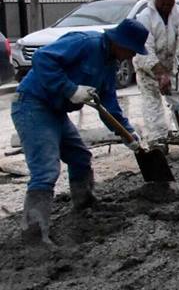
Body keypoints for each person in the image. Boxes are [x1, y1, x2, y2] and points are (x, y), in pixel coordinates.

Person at [12, 19, 150, 244]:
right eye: (131, 51)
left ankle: (84, 204)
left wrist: (128, 133)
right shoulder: (85, 43)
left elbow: (109, 103)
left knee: (80, 157)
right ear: (119, 42)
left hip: (55, 111)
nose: (131, 57)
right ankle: (34, 234)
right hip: (32, 104)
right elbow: (42, 58)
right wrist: (70, 89)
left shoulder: (109, 64)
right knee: (46, 169)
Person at [133, 0, 179, 150]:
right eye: (165, 0)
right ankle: (157, 140)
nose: (168, 4)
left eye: (171, 0)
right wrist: (160, 75)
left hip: (170, 64)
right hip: (148, 68)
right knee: (152, 103)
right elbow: (144, 49)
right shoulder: (145, 17)